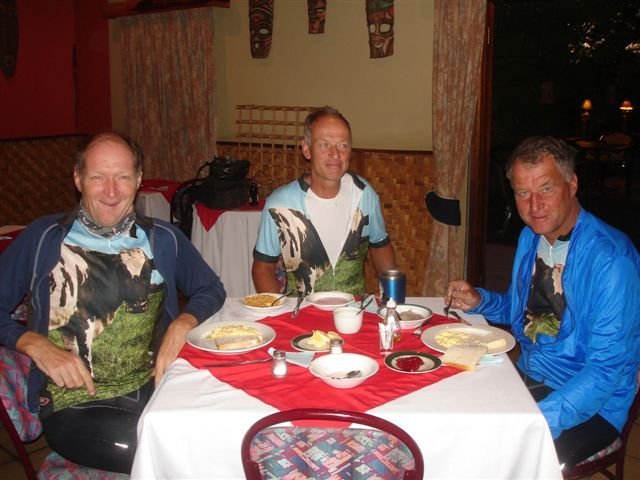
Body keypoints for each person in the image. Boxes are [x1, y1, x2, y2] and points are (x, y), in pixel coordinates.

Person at [0, 132, 226, 473]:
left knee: (216, 438)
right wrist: (34, 343)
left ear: (138, 179)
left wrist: (182, 324)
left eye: (122, 177)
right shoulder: (43, 238)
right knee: (171, 456)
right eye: (97, 177)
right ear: (78, 179)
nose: (111, 191)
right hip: (73, 404)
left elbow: (211, 288)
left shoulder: (162, 238)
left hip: (153, 390)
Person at [445, 136, 640, 468]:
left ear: (572, 184)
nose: (534, 206)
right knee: (454, 415)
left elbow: (604, 373)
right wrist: (480, 301)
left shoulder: (610, 260)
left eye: (546, 189)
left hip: (593, 405)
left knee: (498, 462)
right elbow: (524, 312)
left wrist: (534, 419)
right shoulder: (531, 237)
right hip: (530, 376)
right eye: (523, 193)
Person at [252, 106, 395, 296]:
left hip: (354, 310)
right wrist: (281, 310)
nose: (335, 154)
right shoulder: (280, 205)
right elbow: (262, 269)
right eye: (324, 144)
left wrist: (391, 298)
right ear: (306, 149)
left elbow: (380, 246)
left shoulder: (364, 195)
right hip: (299, 311)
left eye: (342, 145)